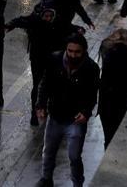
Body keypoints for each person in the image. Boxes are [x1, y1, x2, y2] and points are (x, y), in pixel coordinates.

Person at [35, 34, 100, 187]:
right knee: (48, 152)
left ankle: (77, 184)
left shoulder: (91, 68)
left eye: (77, 52)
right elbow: (45, 84)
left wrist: (85, 112)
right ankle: (46, 179)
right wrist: (40, 105)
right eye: (70, 51)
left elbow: (92, 95)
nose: (73, 55)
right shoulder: (54, 60)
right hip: (56, 116)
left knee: (74, 156)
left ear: (83, 51)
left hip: (75, 120)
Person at [6, 9, 84, 126]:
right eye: (46, 16)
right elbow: (21, 20)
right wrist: (10, 25)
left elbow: (70, 27)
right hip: (38, 60)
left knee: (51, 85)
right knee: (37, 86)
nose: (48, 19)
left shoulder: (58, 23)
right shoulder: (35, 21)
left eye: (50, 16)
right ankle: (35, 113)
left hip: (52, 61)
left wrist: (80, 30)